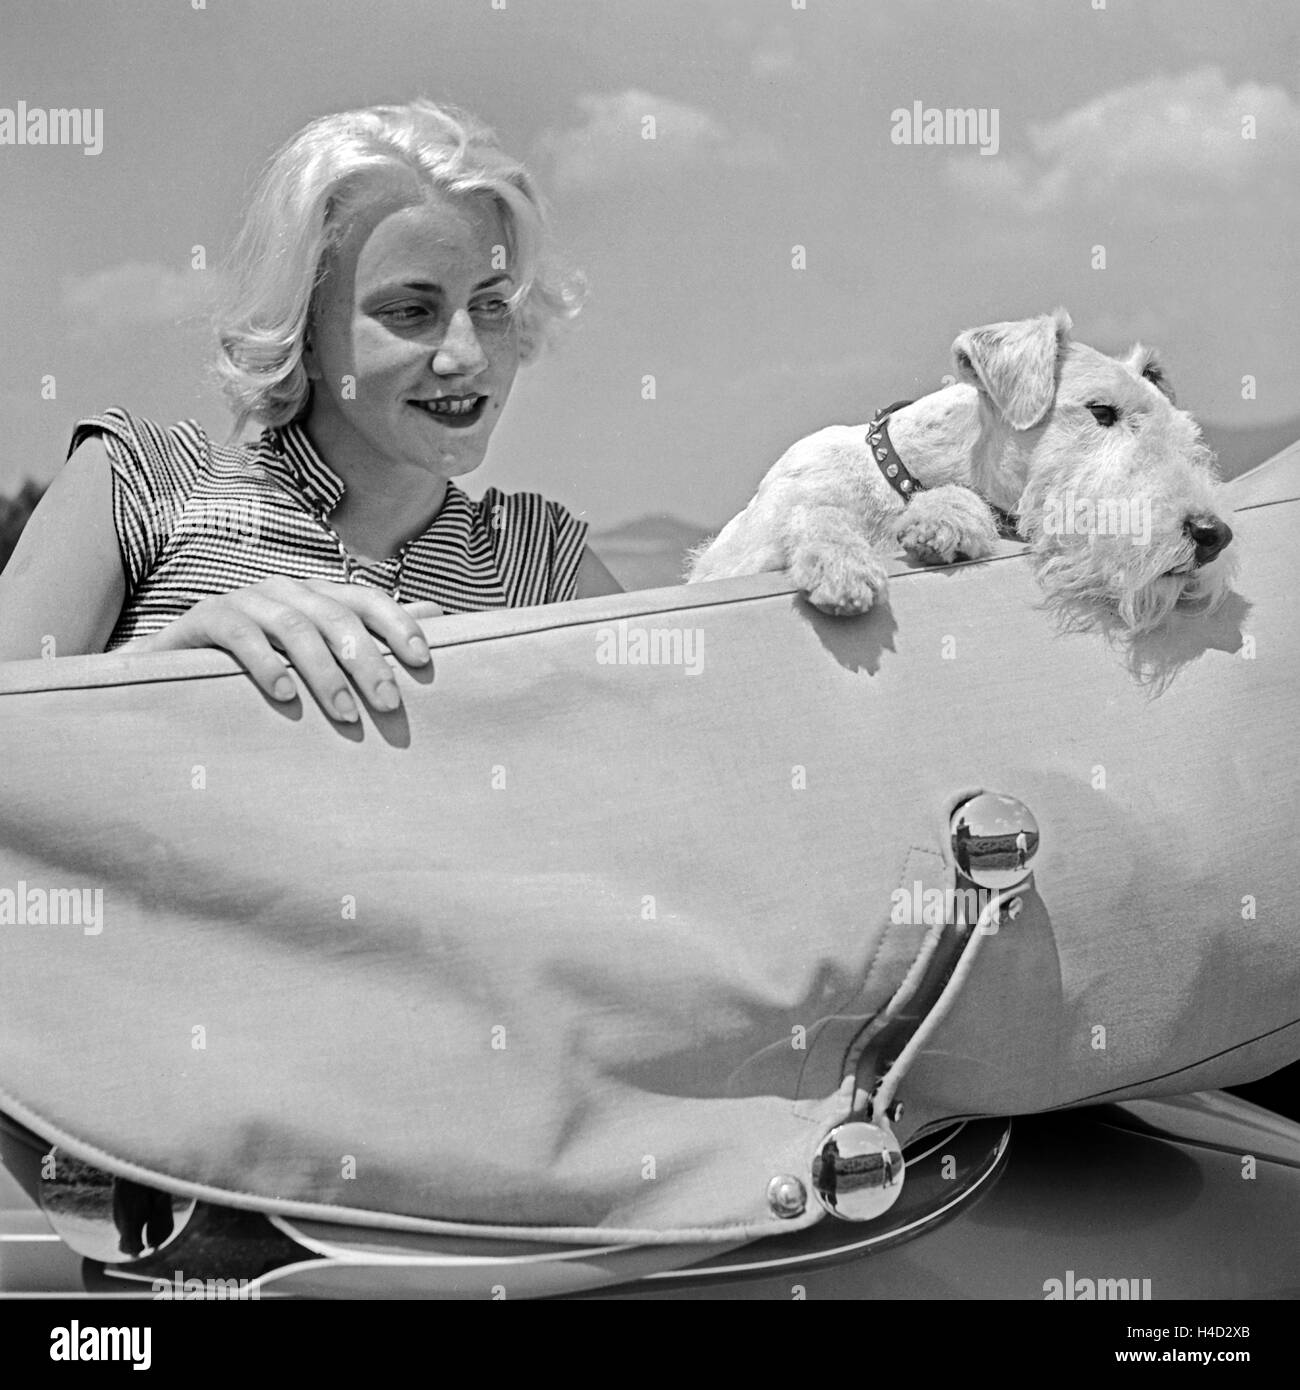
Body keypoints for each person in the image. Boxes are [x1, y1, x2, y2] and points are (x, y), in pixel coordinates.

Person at [0, 99, 621, 721]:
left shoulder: (544, 566)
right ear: (304, 334)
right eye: (409, 310)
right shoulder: (137, 484)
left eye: (491, 305)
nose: (467, 356)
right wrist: (157, 668)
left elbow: (693, 748)